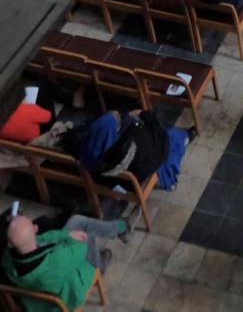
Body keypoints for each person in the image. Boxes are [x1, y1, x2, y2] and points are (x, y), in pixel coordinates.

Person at [2, 213, 130, 308]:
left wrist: (66, 235)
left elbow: (41, 239)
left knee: (76, 221)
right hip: (67, 297)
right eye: (32, 224)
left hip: (37, 303)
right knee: (85, 233)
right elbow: (81, 246)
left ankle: (119, 229)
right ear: (35, 229)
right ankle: (100, 265)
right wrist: (71, 237)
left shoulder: (7, 259)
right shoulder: (57, 259)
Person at [76, 108, 191, 190]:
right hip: (137, 177)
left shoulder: (90, 151)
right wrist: (144, 115)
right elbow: (159, 141)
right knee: (171, 138)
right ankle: (186, 137)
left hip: (119, 181)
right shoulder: (131, 145)